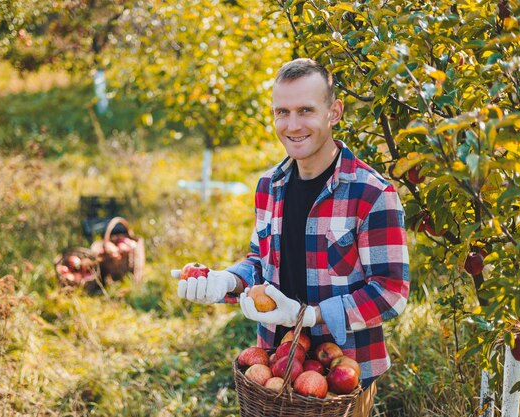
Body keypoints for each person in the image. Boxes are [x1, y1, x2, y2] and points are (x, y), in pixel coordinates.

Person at [175, 58, 409, 417]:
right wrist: (228, 281)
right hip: (275, 368)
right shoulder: (270, 186)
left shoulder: (372, 193)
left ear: (334, 112)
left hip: (343, 378)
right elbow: (261, 262)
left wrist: (312, 316)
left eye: (306, 110)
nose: (293, 125)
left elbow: (391, 292)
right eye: (282, 112)